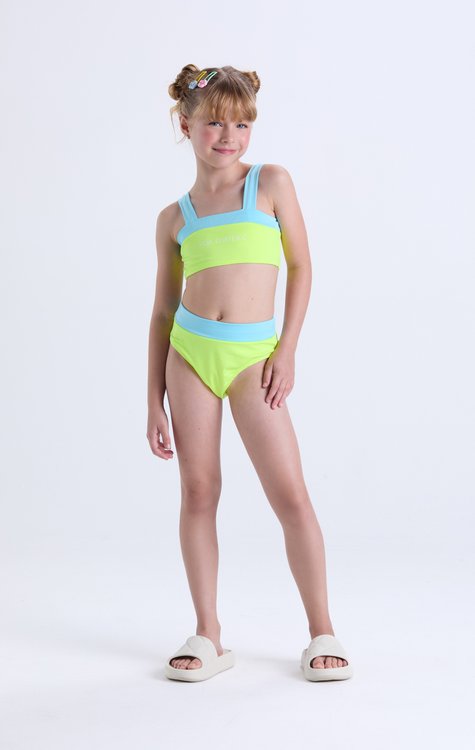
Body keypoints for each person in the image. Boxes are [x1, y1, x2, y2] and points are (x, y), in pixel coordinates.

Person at [147, 64, 353, 683]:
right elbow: (162, 311)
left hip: (253, 357)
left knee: (290, 494)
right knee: (198, 492)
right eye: (214, 123)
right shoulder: (174, 217)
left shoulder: (270, 183)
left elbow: (302, 266)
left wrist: (286, 350)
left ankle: (322, 631)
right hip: (189, 356)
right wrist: (153, 399)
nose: (228, 136)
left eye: (241, 125)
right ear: (186, 125)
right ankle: (208, 634)